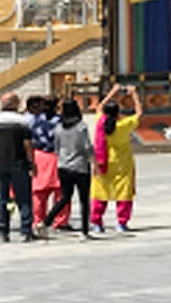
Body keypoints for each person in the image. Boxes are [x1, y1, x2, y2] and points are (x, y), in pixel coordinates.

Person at [0, 92, 37, 241]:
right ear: (14, 104)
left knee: (1, 198)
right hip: (19, 164)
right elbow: (27, 144)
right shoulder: (22, 122)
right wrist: (32, 163)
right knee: (23, 198)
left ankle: (3, 230)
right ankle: (26, 230)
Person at [45, 99, 94, 235]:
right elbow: (87, 146)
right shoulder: (81, 126)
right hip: (80, 165)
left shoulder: (59, 128)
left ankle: (46, 221)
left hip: (63, 166)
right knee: (84, 199)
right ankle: (85, 230)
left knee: (65, 197)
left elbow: (56, 147)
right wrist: (93, 160)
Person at [91, 93, 139, 231]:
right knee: (123, 192)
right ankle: (122, 222)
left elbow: (99, 107)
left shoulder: (100, 122)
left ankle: (97, 223)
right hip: (122, 163)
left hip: (103, 162)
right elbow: (139, 113)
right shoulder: (124, 124)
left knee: (101, 191)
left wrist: (112, 92)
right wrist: (134, 95)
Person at [28, 95, 61, 228]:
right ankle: (60, 220)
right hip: (57, 155)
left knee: (39, 192)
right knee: (60, 191)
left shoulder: (34, 121)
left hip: (39, 155)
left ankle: (37, 219)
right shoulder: (61, 121)